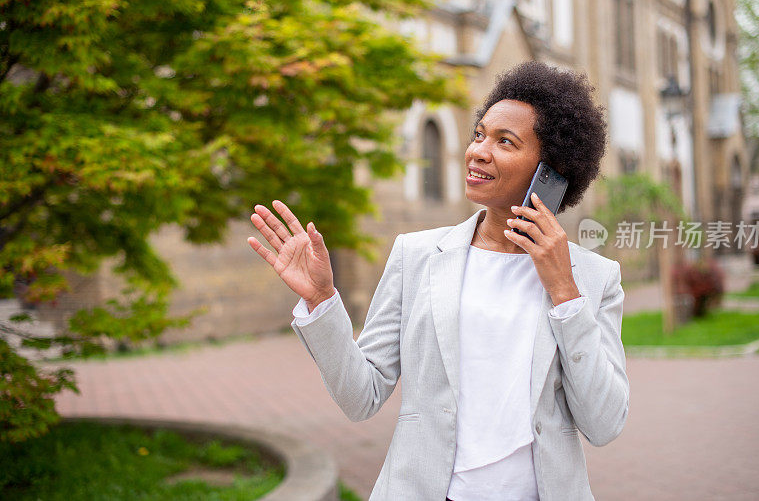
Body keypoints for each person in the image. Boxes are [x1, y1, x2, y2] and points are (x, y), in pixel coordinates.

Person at [247, 61, 629, 501]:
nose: (478, 151)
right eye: (480, 134)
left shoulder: (595, 279)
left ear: (553, 171)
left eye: (505, 142)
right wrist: (320, 300)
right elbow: (362, 396)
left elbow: (603, 424)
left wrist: (565, 294)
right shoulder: (418, 257)